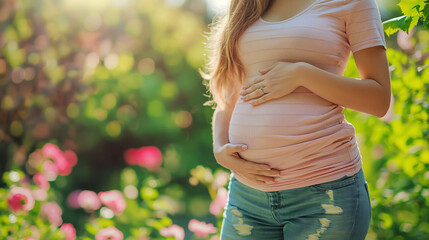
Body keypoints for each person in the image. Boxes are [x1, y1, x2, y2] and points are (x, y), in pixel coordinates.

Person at [200, 0, 391, 239]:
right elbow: (230, 93)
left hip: (324, 195)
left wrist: (302, 74)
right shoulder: (248, 4)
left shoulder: (353, 3)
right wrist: (219, 148)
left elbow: (379, 99)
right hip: (246, 196)